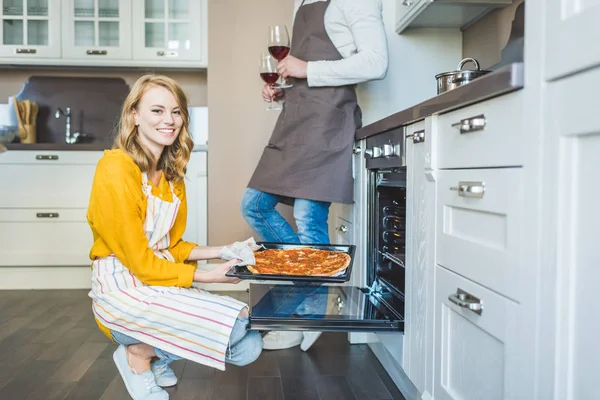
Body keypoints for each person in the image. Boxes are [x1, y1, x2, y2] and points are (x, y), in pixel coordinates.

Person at [87, 74, 262, 400]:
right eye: (157, 110)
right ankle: (137, 355)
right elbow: (139, 261)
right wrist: (208, 277)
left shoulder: (171, 175)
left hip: (159, 279)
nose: (169, 120)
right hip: (122, 289)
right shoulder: (116, 169)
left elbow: (172, 246)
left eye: (176, 111)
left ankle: (151, 353)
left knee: (248, 346)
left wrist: (225, 251)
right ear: (134, 115)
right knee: (238, 326)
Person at [241, 0, 388, 351]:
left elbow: (376, 62)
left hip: (326, 121)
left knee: (308, 217)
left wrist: (306, 68)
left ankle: (304, 316)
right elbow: (309, 69)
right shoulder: (304, 2)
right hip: (296, 118)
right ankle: (312, 286)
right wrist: (284, 87)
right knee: (254, 205)